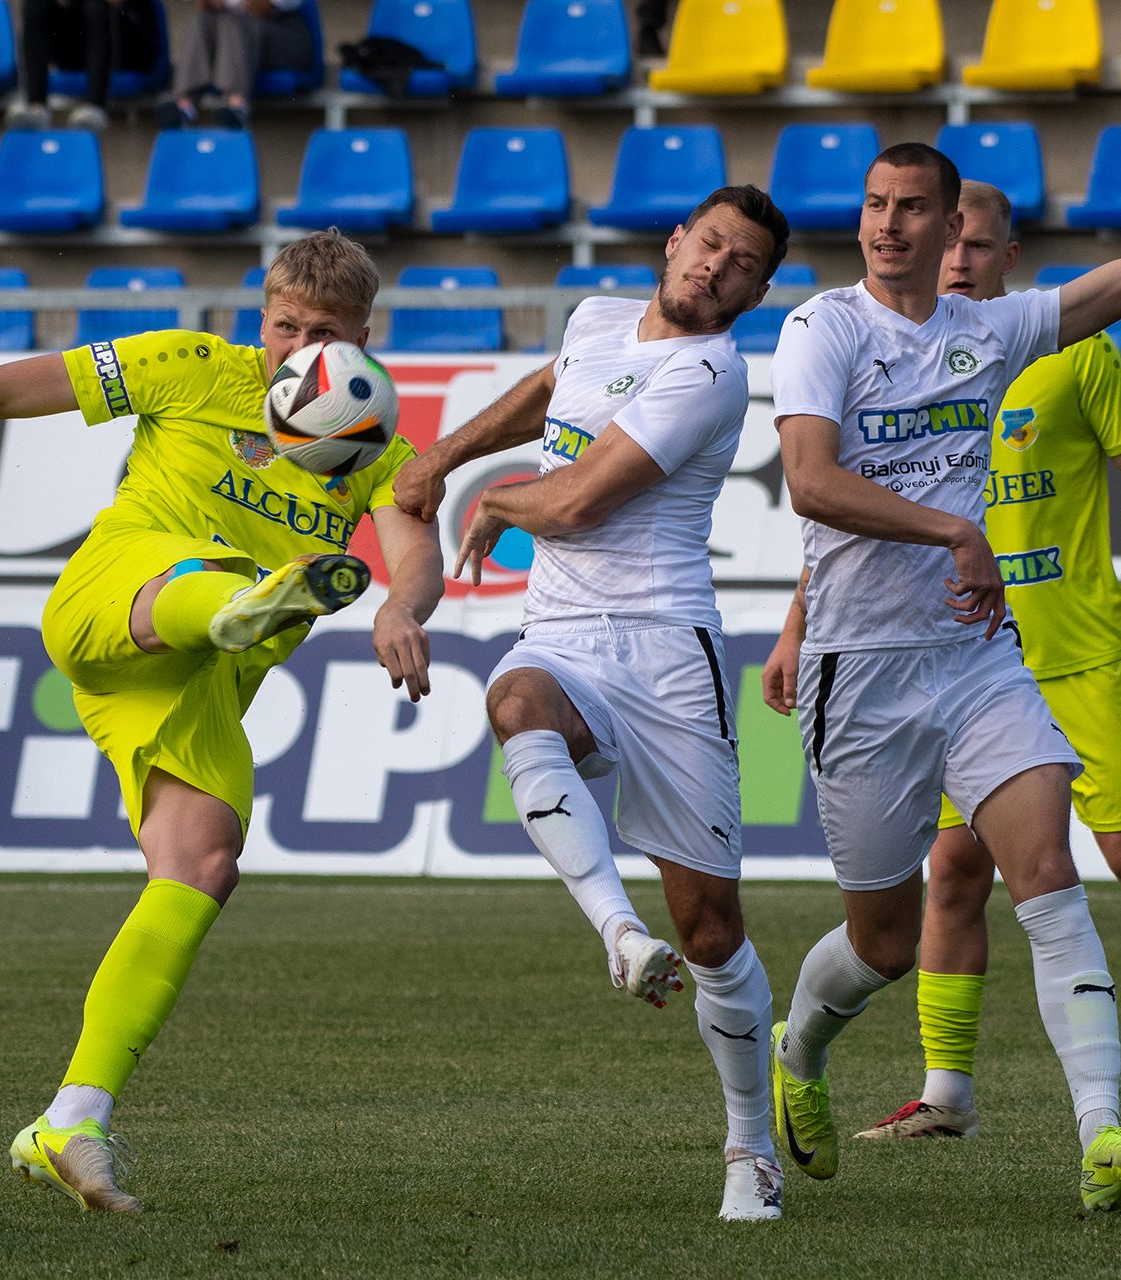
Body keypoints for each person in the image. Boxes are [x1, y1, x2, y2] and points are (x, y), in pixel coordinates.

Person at [0, 231, 444, 1213]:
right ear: (260, 317)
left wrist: (401, 608)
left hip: (194, 682)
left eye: (325, 334)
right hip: (116, 596)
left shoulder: (373, 445)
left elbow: (415, 552)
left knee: (202, 864)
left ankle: (71, 1119)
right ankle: (239, 595)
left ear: (364, 339)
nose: (300, 350)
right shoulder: (186, 365)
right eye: (286, 326)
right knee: (212, 575)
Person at [757, 52, 1121, 1213]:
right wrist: (952, 532)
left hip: (976, 663)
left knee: (1049, 874)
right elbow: (810, 483)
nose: (889, 225)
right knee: (886, 938)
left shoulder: (1001, 329)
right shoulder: (823, 328)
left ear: (953, 227)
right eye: (874, 205)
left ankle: (1101, 1131)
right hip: (860, 671)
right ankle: (798, 1047)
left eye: (912, 208)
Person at [391, 186, 794, 1222]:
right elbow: (552, 385)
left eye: (743, 264)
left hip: (666, 653)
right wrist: (441, 453)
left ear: (756, 293)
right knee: (515, 700)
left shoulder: (711, 372)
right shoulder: (597, 318)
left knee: (711, 932)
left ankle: (751, 1145)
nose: (716, 267)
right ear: (676, 240)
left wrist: (492, 497)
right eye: (710, 243)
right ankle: (618, 934)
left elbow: (574, 502)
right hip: (563, 636)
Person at [159, 0, 315, 131]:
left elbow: (261, 6)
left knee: (232, 19)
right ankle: (184, 106)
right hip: (237, 40)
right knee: (201, 19)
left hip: (284, 40)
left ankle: (237, 105)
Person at [9, 0, 160, 131]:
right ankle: (36, 106)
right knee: (35, 4)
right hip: (78, 47)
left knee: (95, 4)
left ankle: (95, 107)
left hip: (126, 43)